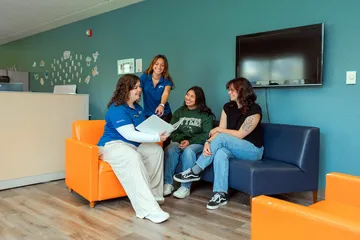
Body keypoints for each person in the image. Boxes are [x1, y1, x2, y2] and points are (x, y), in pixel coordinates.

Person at [173, 77, 264, 210]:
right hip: (233, 147)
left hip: (252, 150)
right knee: (220, 153)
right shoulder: (228, 107)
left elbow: (240, 134)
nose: (229, 93)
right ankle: (220, 194)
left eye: (232, 90)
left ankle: (195, 170)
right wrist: (208, 143)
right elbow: (218, 133)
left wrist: (218, 131)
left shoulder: (255, 109)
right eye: (229, 90)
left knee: (221, 138)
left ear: (242, 91)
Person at [97, 74, 170, 224]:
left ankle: (155, 196)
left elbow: (143, 129)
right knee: (132, 157)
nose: (139, 90)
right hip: (112, 145)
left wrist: (162, 131)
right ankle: (148, 209)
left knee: (156, 151)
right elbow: (129, 134)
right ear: (126, 89)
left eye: (139, 87)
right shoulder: (116, 109)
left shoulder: (137, 108)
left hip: (132, 145)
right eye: (135, 87)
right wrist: (156, 138)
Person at [163, 86, 214, 199]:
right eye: (187, 95)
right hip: (181, 141)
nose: (188, 98)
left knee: (189, 151)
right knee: (170, 148)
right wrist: (181, 140)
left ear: (198, 99)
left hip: (198, 143)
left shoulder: (205, 114)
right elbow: (172, 131)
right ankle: (168, 183)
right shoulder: (179, 112)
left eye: (192, 96)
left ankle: (185, 187)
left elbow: (207, 134)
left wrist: (190, 141)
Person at [140, 54, 174, 122]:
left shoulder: (167, 80)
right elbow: (138, 90)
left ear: (165, 68)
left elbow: (166, 93)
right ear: (152, 65)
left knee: (164, 133)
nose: (159, 67)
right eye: (156, 64)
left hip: (164, 114)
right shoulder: (144, 77)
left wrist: (162, 105)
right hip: (148, 114)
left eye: (162, 65)